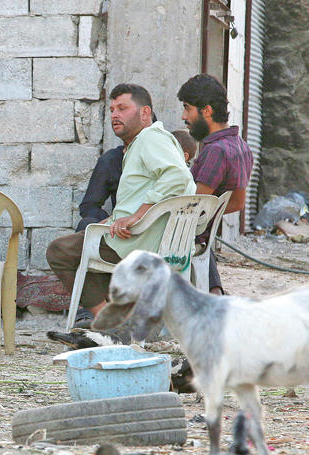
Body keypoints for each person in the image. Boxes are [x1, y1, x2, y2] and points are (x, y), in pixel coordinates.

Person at [46, 83, 195, 322]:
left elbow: (178, 176)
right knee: (88, 241)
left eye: (123, 108)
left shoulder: (150, 138)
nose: (115, 114)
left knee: (60, 251)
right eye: (112, 109)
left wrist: (137, 216)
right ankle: (119, 317)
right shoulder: (152, 142)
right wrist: (115, 218)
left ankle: (109, 322)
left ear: (145, 113)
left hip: (139, 243)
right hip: (152, 243)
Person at [178, 73, 253, 295]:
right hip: (203, 238)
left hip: (187, 237)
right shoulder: (241, 146)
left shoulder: (215, 151)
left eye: (187, 108)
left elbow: (195, 209)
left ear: (207, 111)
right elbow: (238, 203)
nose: (184, 116)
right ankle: (214, 290)